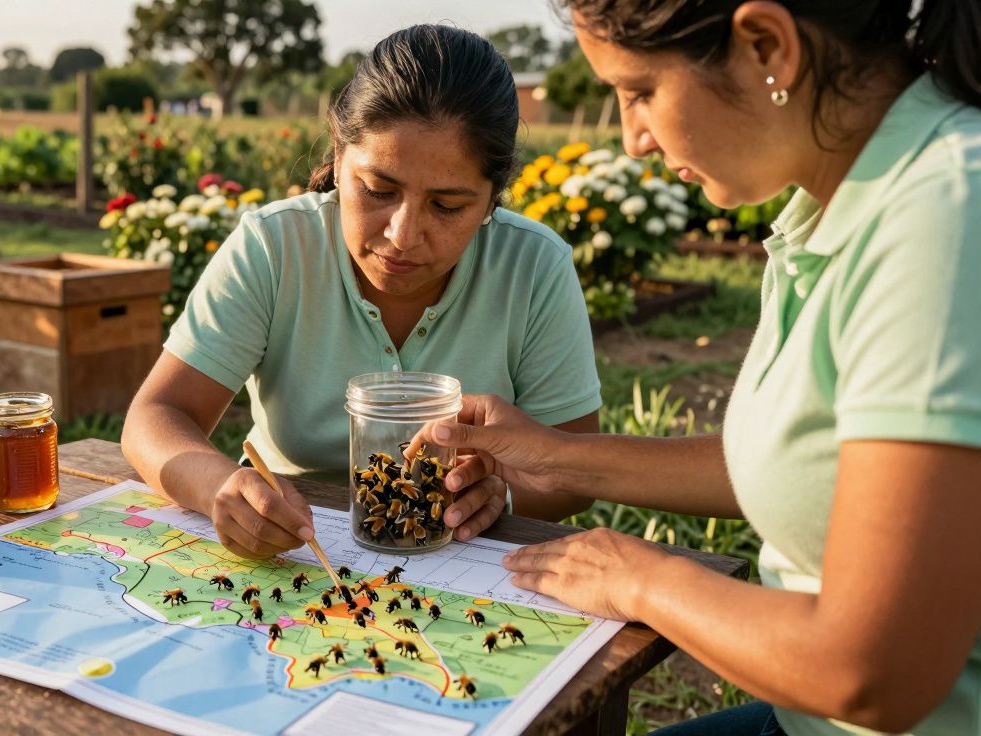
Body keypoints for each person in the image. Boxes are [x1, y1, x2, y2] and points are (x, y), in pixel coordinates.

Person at [417, 2, 981, 734]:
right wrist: (557, 456)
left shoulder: (943, 218)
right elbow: (822, 466)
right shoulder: (838, 205)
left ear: (767, 47)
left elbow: (875, 672)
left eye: (641, 91)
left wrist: (640, 578)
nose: (634, 140)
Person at [122, 25, 602, 560]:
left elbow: (576, 469)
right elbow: (156, 416)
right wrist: (217, 487)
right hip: (295, 551)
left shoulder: (532, 265)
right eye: (377, 190)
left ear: (493, 200)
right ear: (338, 156)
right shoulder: (276, 248)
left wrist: (505, 493)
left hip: (459, 555)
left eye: (447, 206)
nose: (402, 234)